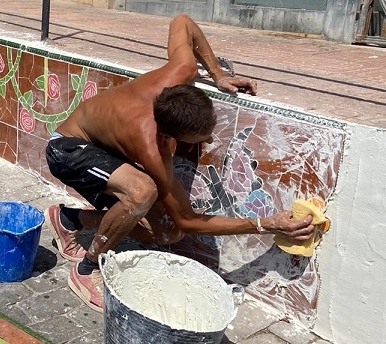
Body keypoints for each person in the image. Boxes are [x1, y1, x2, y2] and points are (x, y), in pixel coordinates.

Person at [45, 14, 314, 312]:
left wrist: (217, 75)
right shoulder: (152, 148)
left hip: (106, 151)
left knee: (166, 233)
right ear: (169, 136)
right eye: (200, 138)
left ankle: (69, 219)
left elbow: (182, 21)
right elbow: (189, 220)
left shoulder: (182, 69)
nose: (208, 141)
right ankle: (86, 269)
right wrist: (264, 223)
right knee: (142, 193)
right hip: (68, 150)